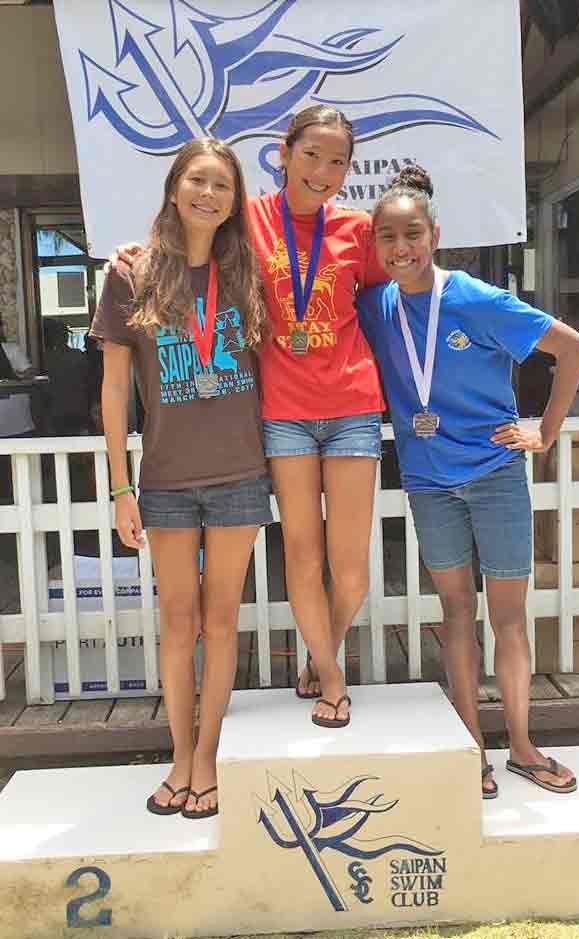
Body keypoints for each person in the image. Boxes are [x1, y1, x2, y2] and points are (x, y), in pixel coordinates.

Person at [112, 106, 388, 729]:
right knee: (302, 556)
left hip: (351, 404)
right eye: (310, 155)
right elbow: (187, 242)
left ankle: (321, 654)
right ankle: (333, 680)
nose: (322, 171)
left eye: (337, 161)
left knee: (351, 573)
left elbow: (392, 290)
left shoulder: (359, 230)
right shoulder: (249, 220)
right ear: (283, 154)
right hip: (283, 410)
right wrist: (129, 255)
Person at [357, 166, 579, 798]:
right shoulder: (376, 306)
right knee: (457, 614)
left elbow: (572, 348)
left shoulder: (477, 299)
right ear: (375, 245)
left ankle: (523, 747)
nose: (401, 247)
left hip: (494, 475)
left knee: (507, 617)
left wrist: (545, 431)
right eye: (387, 237)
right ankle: (473, 750)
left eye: (412, 233)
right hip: (429, 484)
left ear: (435, 235)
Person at [91, 138, 272, 818]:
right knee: (177, 623)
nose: (208, 193)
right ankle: (178, 754)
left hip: (239, 473)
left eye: (222, 184)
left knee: (220, 623)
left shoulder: (250, 270)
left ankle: (207, 757)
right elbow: (114, 391)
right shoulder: (131, 274)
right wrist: (121, 488)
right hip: (164, 479)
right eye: (197, 180)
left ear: (234, 201)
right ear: (174, 188)